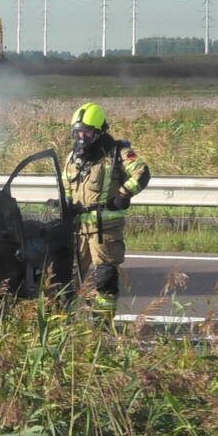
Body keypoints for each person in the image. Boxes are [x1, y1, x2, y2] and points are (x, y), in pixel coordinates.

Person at [63, 102, 150, 318]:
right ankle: (64, 323)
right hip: (78, 228)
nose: (81, 137)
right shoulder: (72, 158)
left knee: (104, 278)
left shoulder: (117, 152)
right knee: (68, 276)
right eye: (78, 132)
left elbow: (141, 172)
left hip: (105, 228)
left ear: (99, 131)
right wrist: (65, 208)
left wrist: (122, 194)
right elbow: (67, 187)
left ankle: (102, 325)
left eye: (86, 132)